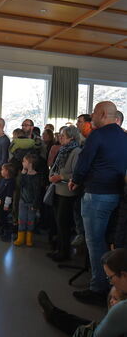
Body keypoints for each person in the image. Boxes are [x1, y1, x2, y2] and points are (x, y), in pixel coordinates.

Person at [69, 101, 127, 305]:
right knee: (108, 240)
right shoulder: (124, 136)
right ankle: (112, 285)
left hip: (97, 194)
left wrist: (75, 180)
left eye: (93, 112)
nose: (91, 116)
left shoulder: (98, 135)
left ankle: (97, 288)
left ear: (102, 114)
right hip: (118, 194)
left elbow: (84, 162)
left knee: (94, 242)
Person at [38, 248, 127, 337]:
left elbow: (97, 335)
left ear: (124, 275)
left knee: (84, 328)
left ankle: (54, 314)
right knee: (87, 324)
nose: (110, 283)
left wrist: (115, 311)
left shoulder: (122, 309)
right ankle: (54, 314)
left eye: (110, 278)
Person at [47, 126, 81, 262]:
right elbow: (55, 167)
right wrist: (52, 175)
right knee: (58, 223)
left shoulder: (76, 151)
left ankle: (64, 253)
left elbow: (76, 173)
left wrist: (60, 177)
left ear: (72, 137)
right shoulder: (62, 150)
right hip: (57, 189)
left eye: (63, 135)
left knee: (64, 224)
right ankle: (59, 249)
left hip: (67, 193)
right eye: (59, 135)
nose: (59, 138)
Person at [13, 154, 42, 247]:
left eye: (24, 161)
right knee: (21, 219)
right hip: (22, 201)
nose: (22, 163)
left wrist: (35, 204)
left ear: (30, 164)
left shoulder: (37, 176)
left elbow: (38, 191)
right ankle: (20, 237)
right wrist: (22, 172)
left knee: (30, 220)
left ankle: (29, 238)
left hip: (32, 203)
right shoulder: (24, 175)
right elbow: (19, 184)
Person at [0, 163, 16, 241]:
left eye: (3, 170)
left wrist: (6, 205)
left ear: (7, 171)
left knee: (4, 218)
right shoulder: (2, 179)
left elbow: (9, 194)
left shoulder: (11, 181)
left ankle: (6, 233)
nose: (1, 171)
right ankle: (1, 230)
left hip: (4, 204)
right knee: (1, 217)